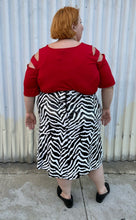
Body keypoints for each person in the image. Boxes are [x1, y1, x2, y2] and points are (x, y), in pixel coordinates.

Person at [24, 6, 115, 208]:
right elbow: (108, 84)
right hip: (85, 114)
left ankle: (66, 194)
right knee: (90, 152)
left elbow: (29, 90)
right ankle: (102, 190)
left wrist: (29, 113)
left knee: (60, 155)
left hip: (53, 116)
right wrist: (106, 109)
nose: (83, 26)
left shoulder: (38, 57)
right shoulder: (93, 53)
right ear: (72, 26)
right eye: (80, 22)